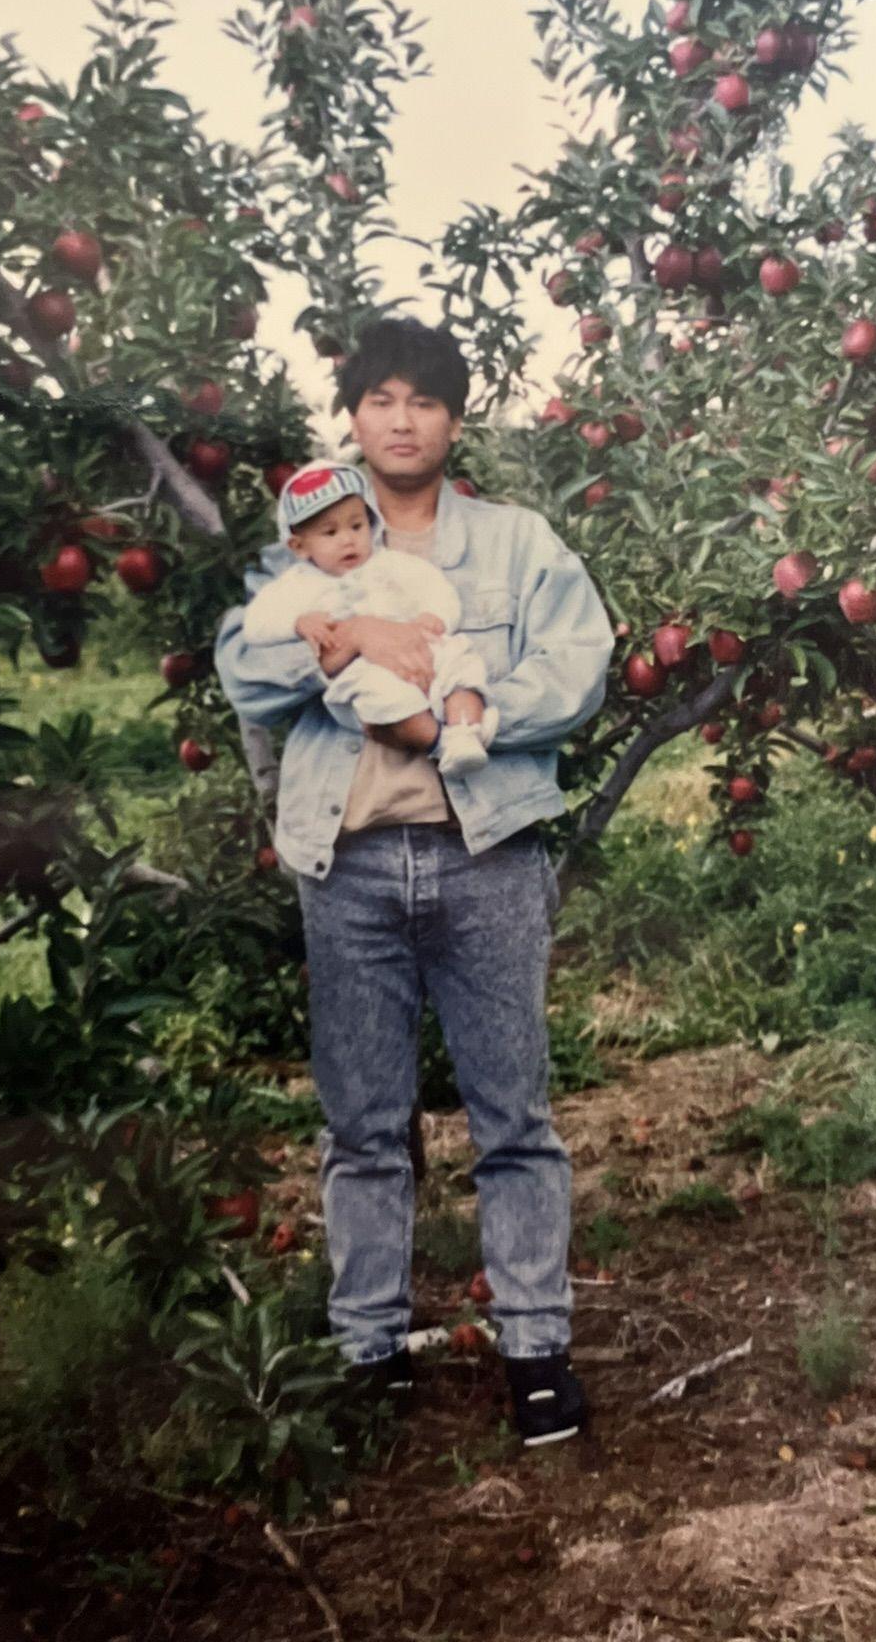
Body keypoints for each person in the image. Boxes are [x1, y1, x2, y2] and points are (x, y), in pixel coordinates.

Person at [216, 317, 614, 1446]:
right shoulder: (313, 542)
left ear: (454, 419)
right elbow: (244, 666)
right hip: (347, 866)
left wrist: (459, 714)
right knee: (362, 1121)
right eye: (380, 399)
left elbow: (577, 666)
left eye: (424, 400)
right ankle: (369, 1351)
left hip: (484, 854)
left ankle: (535, 1348)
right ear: (352, 416)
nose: (402, 420)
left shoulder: (516, 542)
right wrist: (353, 637)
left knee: (513, 1112)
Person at [241, 458, 497, 778]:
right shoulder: (295, 587)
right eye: (330, 532)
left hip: (419, 646)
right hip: (364, 670)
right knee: (385, 699)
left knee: (462, 666)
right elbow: (255, 624)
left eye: (357, 526)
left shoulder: (391, 564)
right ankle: (439, 743)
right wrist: (297, 623)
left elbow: (435, 586)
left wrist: (434, 615)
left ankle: (465, 732)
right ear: (299, 546)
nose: (348, 539)